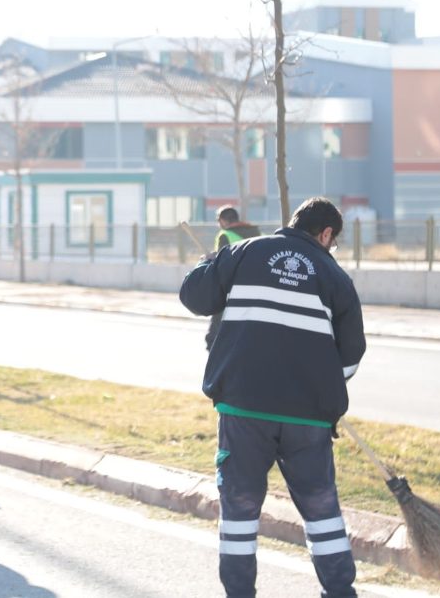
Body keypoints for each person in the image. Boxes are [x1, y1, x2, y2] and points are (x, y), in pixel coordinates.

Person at [179, 197, 366, 598]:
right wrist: (321, 388)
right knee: (322, 512)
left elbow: (193, 297)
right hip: (309, 420)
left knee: (240, 512)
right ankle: (340, 592)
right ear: (326, 234)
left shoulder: (245, 252)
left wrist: (209, 263)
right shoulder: (336, 278)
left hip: (243, 411)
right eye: (334, 242)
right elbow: (350, 357)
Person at [205, 206, 261, 351]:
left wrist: (210, 259)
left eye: (218, 220)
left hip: (232, 287)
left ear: (223, 220)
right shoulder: (257, 232)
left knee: (217, 325)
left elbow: (222, 263)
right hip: (257, 286)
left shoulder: (225, 235)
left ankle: (213, 350)